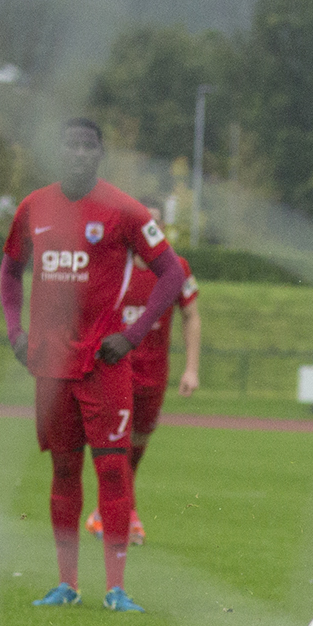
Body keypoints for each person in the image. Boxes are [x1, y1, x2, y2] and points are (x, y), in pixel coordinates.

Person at [2, 118, 186, 613]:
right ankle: (66, 584)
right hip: (52, 366)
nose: (79, 153)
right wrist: (15, 331)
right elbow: (9, 271)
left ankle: (116, 588)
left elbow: (172, 273)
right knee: (63, 469)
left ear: (100, 153)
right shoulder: (33, 208)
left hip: (105, 364)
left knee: (112, 471)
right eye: (70, 144)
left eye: (88, 146)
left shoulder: (124, 210)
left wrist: (133, 333)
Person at [86, 204, 201, 546]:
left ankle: (103, 512)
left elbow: (191, 314)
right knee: (117, 444)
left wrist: (192, 369)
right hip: (115, 370)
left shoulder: (176, 268)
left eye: (154, 221)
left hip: (155, 373)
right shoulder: (113, 266)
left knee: (137, 443)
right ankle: (126, 516)